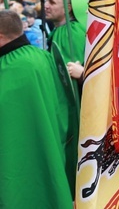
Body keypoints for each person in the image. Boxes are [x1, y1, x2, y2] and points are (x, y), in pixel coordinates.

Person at [0, 10, 72, 207]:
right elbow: (63, 103)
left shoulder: (8, 68)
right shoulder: (43, 56)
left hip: (15, 157)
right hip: (48, 141)